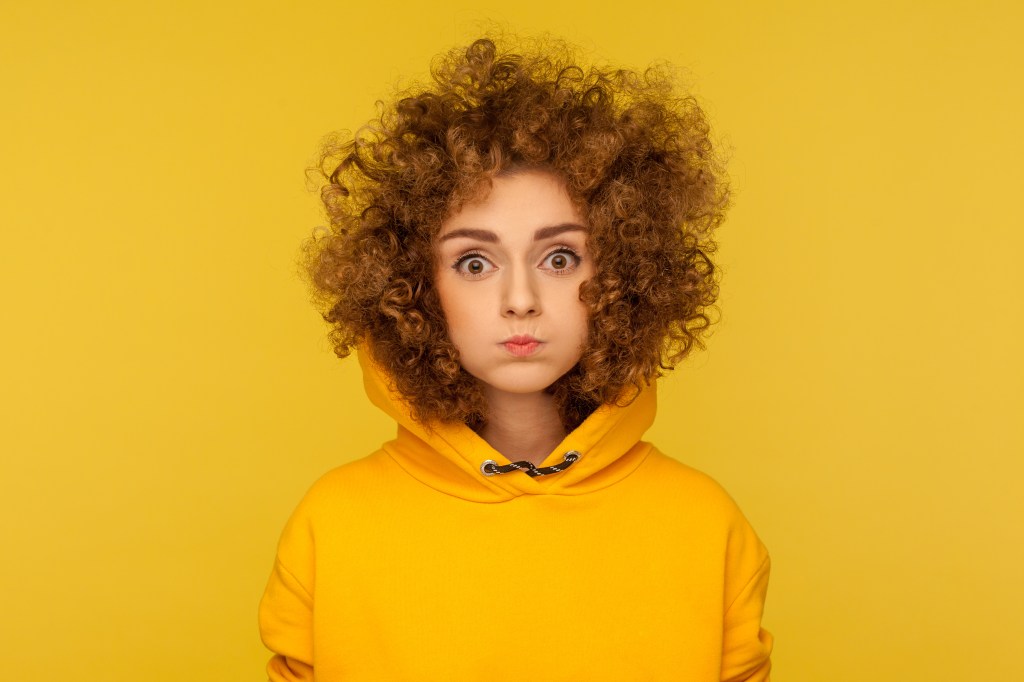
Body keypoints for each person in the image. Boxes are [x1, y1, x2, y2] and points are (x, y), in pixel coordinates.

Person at [259, 36, 772, 681]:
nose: (521, 300)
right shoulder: (331, 521)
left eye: (560, 258)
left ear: (626, 272)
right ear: (413, 285)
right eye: (475, 262)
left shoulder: (705, 522)